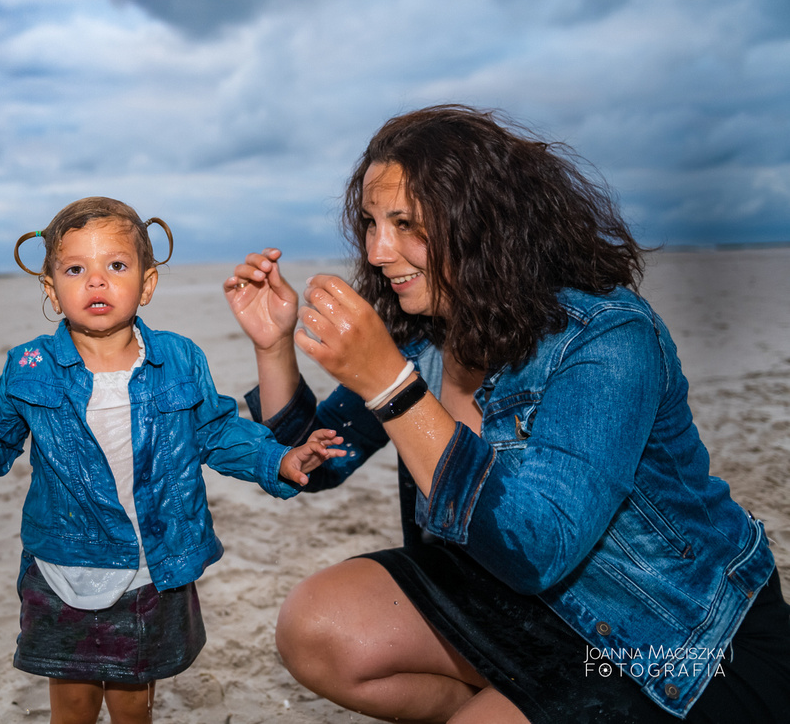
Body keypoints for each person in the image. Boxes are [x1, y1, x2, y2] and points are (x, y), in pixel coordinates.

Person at [224, 105, 790, 723]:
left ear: (482, 222)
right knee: (316, 626)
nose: (379, 251)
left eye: (406, 222)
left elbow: (538, 548)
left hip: (669, 639)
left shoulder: (606, 337)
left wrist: (390, 384)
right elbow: (316, 462)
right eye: (370, 222)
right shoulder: (424, 335)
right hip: (517, 609)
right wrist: (273, 347)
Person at [0, 196, 344, 724]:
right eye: (76, 269)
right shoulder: (29, 366)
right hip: (61, 565)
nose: (96, 282)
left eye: (116, 266)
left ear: (147, 284)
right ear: (51, 290)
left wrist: (281, 459)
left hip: (152, 566)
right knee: (73, 705)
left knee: (132, 704)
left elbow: (217, 433)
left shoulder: (179, 358)